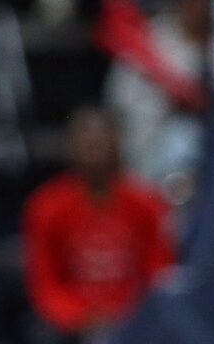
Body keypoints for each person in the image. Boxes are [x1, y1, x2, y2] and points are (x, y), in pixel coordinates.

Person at [23, 108, 175, 342]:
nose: (94, 144)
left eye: (101, 137)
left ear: (117, 142)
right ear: (71, 145)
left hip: (133, 319)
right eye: (85, 138)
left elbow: (159, 274)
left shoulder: (146, 204)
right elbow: (45, 284)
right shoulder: (47, 206)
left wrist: (128, 315)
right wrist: (79, 316)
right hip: (71, 326)